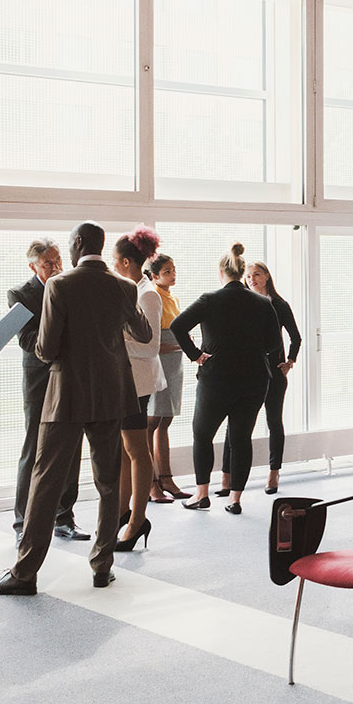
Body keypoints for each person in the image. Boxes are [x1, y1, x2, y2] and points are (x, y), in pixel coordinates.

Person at [0, 222, 151, 595]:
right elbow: (143, 334)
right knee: (108, 483)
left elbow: (45, 349)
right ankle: (102, 565)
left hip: (66, 396)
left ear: (77, 244)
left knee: (45, 479)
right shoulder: (124, 286)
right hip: (110, 397)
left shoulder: (60, 286)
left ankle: (26, 572)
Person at [169, 243, 280, 515]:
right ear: (243, 273)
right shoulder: (262, 302)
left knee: (202, 434)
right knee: (241, 438)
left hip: (216, 378)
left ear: (222, 272)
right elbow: (275, 344)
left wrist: (196, 354)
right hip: (254, 380)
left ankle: (202, 494)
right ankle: (235, 499)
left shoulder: (209, 299)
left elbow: (177, 326)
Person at [7, 238, 86, 546]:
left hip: (71, 376)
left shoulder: (71, 286)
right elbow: (26, 339)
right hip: (40, 378)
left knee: (71, 446)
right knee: (34, 448)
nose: (55, 267)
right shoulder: (20, 294)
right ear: (33, 267)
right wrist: (61, 342)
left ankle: (64, 518)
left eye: (57, 261)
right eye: (47, 264)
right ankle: (22, 523)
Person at [220, 260, 301, 496]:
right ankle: (227, 477)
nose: (251, 279)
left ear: (266, 276)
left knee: (274, 421)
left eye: (256, 274)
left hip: (274, 372)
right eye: (247, 276)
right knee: (235, 424)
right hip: (246, 372)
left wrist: (290, 362)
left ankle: (274, 473)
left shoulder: (279, 304)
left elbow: (296, 337)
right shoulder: (243, 304)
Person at [112, 226, 165, 550]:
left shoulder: (147, 294)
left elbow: (151, 346)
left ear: (129, 262)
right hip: (122, 380)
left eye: (116, 261)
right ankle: (121, 513)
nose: (113, 266)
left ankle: (137, 520)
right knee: (121, 451)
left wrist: (113, 342)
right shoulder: (129, 290)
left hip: (138, 382)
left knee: (136, 450)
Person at [145, 253, 190, 502]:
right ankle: (151, 484)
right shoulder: (153, 297)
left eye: (174, 270)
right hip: (161, 362)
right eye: (167, 272)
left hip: (175, 364)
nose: (173, 275)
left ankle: (166, 478)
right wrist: (178, 346)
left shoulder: (173, 298)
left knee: (165, 421)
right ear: (154, 276)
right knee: (152, 422)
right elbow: (153, 341)